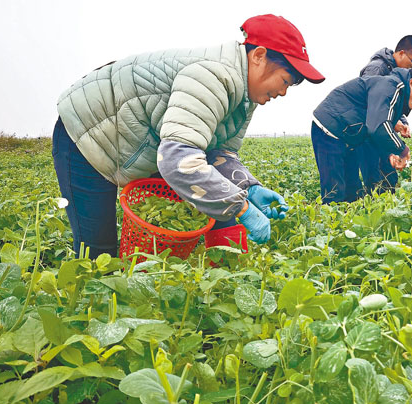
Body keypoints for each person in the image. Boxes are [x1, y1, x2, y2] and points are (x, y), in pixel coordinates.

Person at [52, 14, 324, 257]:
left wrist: (249, 188)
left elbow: (219, 153)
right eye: (286, 80)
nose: (284, 92)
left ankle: (228, 279)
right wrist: (241, 208)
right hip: (87, 135)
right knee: (98, 253)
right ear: (258, 56)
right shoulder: (212, 76)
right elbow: (178, 160)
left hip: (138, 140)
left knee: (220, 211)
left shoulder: (245, 95)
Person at [311, 66, 412, 203]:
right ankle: (330, 222)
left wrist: (390, 155)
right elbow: (378, 127)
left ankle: (345, 222)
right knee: (334, 191)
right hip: (330, 130)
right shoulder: (390, 86)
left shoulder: (396, 97)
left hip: (349, 137)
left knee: (353, 192)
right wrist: (403, 150)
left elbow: (374, 131)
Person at [357, 36, 412, 194]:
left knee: (389, 176)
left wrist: (401, 121)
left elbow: (394, 105)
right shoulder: (377, 69)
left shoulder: (398, 75)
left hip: (382, 132)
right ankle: (376, 213)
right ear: (401, 53)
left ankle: (389, 211)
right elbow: (369, 106)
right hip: (369, 134)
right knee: (374, 178)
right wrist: (393, 123)